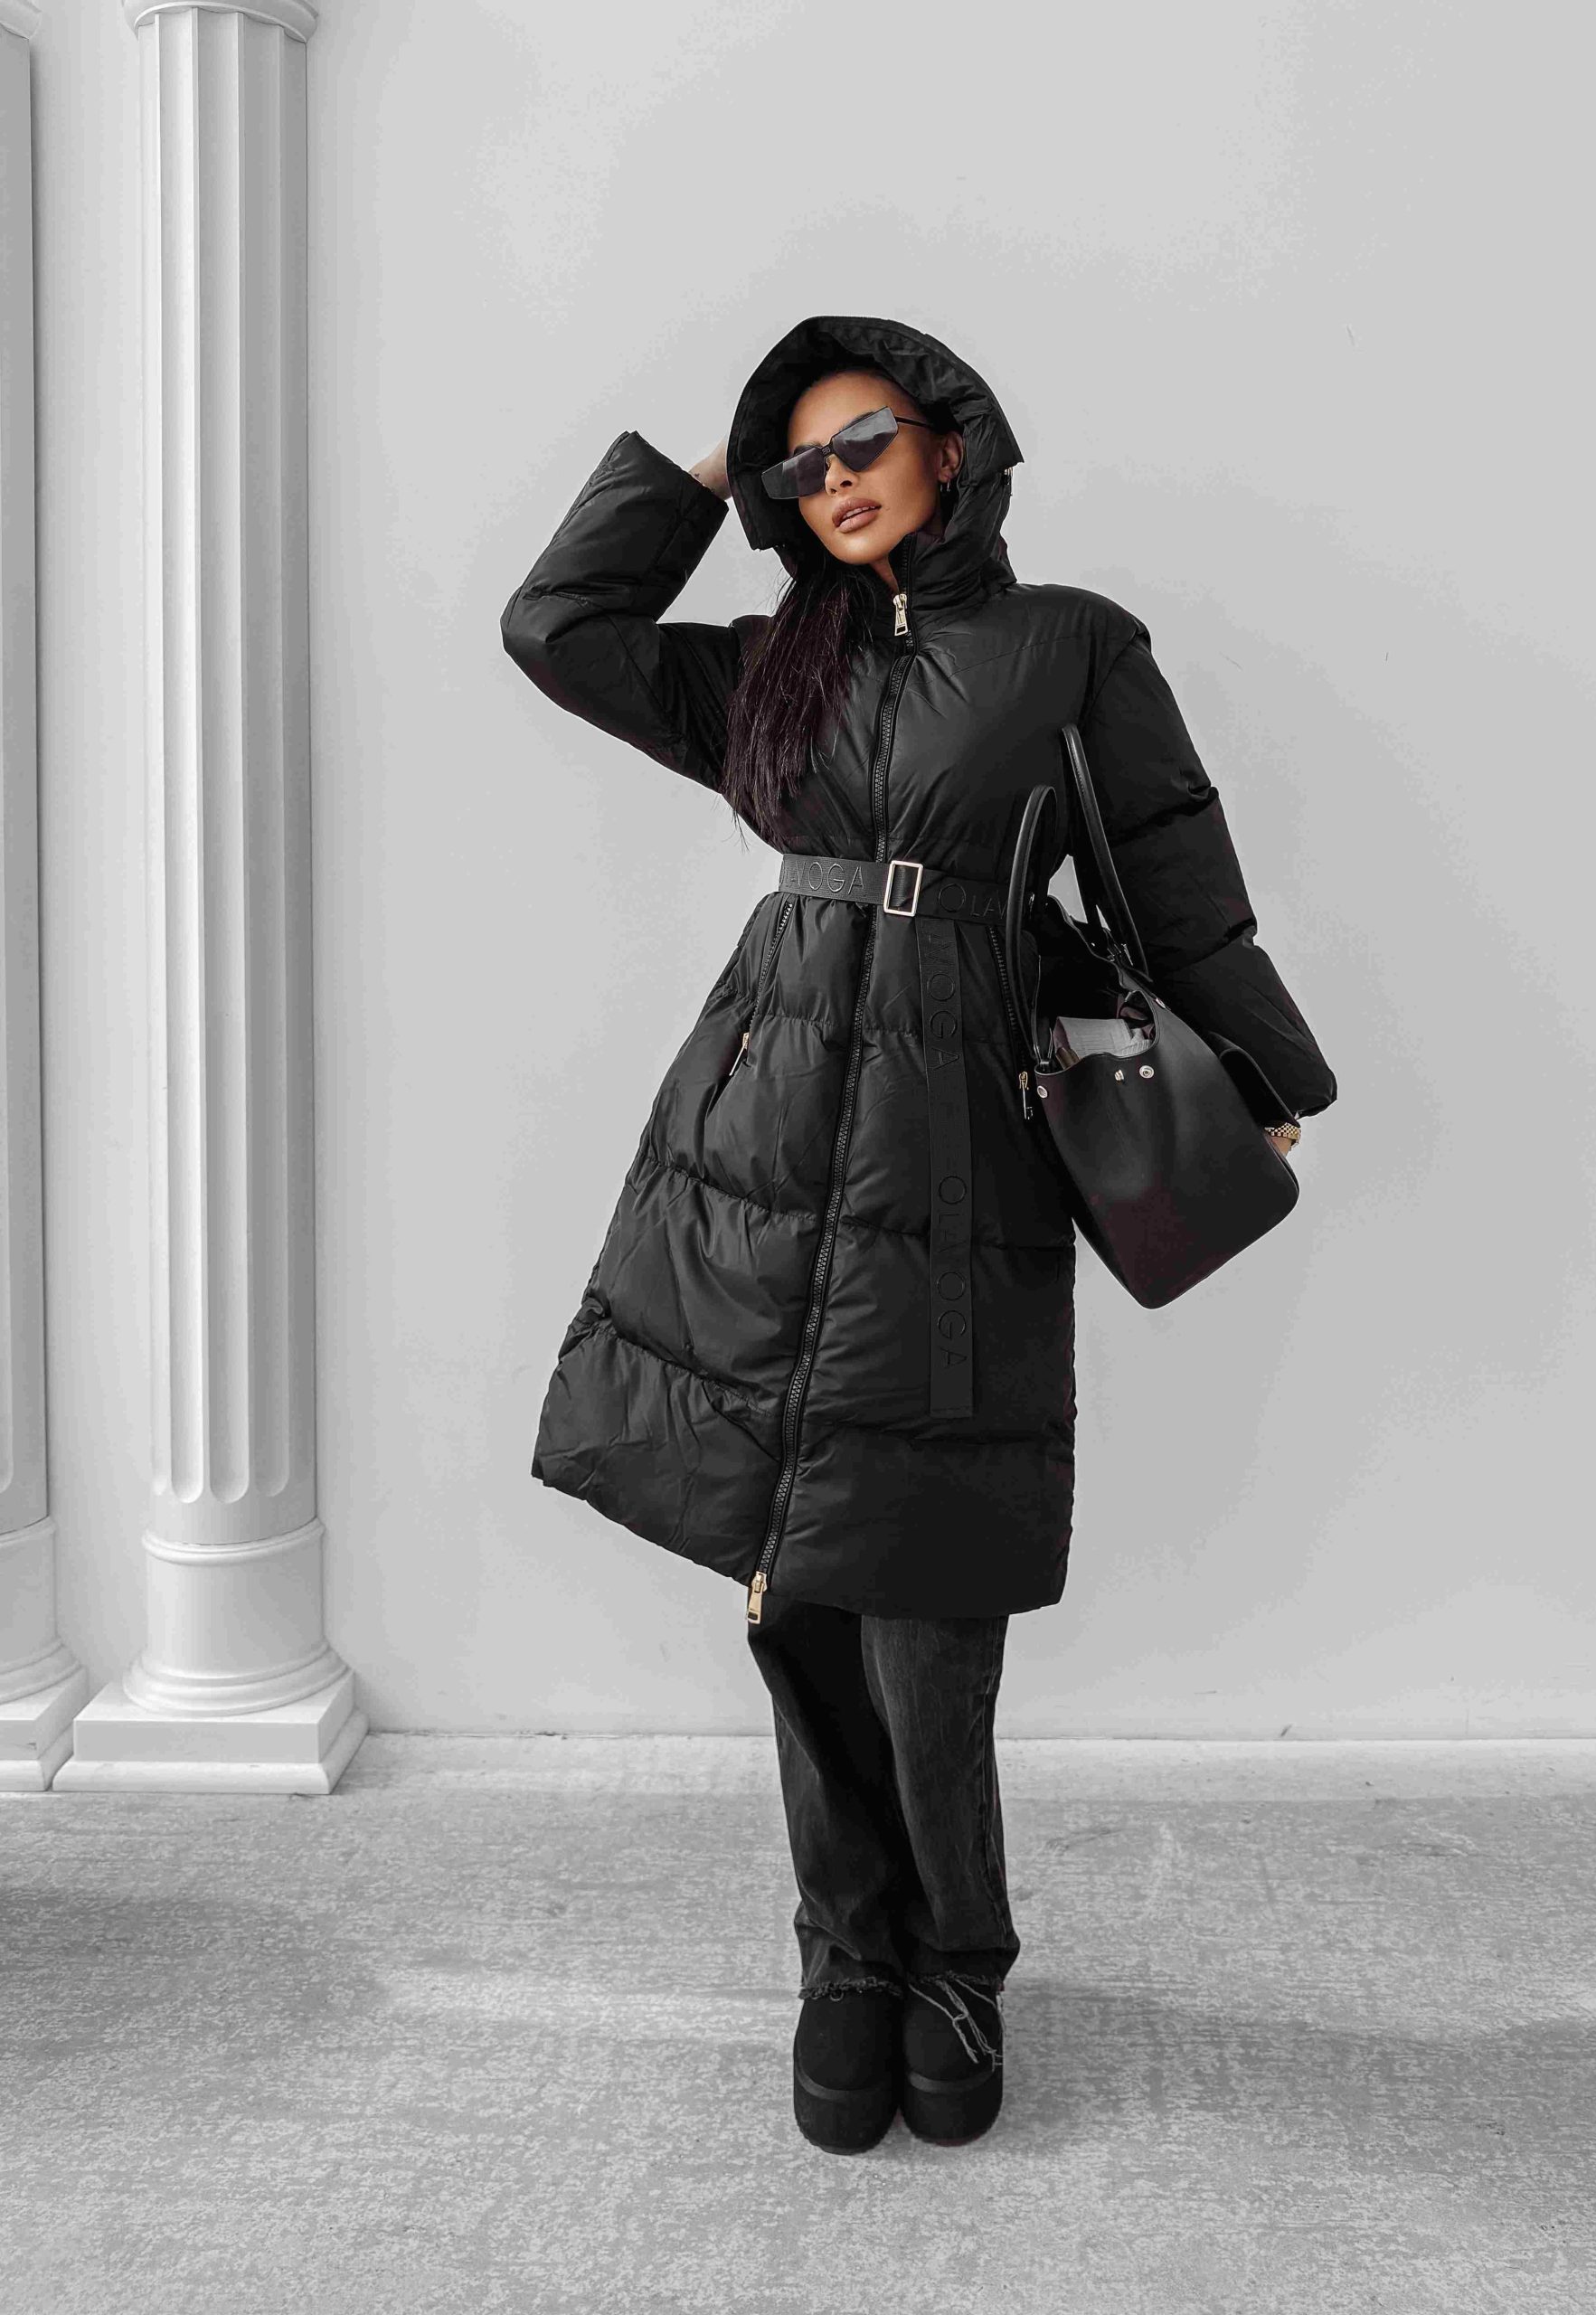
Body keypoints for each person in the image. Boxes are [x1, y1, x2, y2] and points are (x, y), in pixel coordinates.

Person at [500, 315, 1338, 2155]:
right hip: (761, 1133)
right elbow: (554, 627)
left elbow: (1171, 872)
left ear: (950, 439)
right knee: (793, 1579)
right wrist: (704, 471)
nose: (836, 481)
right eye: (800, 466)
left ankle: (960, 1955)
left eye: (861, 438)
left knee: (928, 1584)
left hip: (960, 1135)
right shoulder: (767, 666)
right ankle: (847, 1955)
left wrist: (1265, 1071)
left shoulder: (1070, 646)